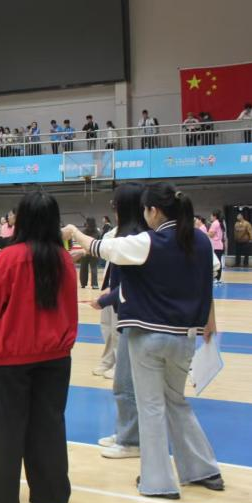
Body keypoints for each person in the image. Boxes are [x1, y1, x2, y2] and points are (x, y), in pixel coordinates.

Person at [64, 183, 223, 499]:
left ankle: (157, 481)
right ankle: (203, 468)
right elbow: (209, 276)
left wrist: (73, 232)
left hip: (147, 336)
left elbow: (100, 248)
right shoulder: (201, 241)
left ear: (153, 210)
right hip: (184, 337)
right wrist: (210, 319)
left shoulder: (148, 241)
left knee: (150, 407)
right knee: (175, 401)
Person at [0, 191, 78, 503]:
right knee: (50, 424)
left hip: (13, 356)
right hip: (56, 355)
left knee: (8, 426)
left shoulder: (9, 259)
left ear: (22, 220)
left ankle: (3, 499)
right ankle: (52, 494)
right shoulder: (63, 259)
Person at [89, 182, 147, 455]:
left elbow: (129, 286)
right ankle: (127, 432)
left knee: (125, 384)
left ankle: (131, 441)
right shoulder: (130, 235)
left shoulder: (135, 238)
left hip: (135, 320)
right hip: (128, 315)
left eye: (115, 204)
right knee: (125, 383)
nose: (113, 208)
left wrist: (105, 299)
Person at [78, 217, 101, 288]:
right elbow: (99, 242)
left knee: (83, 268)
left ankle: (83, 284)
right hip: (94, 252)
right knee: (94, 268)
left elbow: (80, 241)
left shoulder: (83, 232)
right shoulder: (97, 232)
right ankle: (94, 284)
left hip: (85, 251)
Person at [208, 210, 225, 283]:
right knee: (218, 262)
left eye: (211, 216)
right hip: (219, 245)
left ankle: (216, 278)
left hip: (215, 246)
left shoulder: (215, 223)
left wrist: (204, 233)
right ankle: (218, 278)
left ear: (215, 216)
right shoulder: (219, 223)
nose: (210, 217)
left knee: (216, 263)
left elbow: (211, 235)